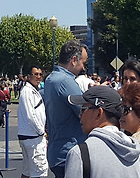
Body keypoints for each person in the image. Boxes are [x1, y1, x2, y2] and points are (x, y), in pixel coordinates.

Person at [65, 85, 140, 178]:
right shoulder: (135, 152)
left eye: (83, 109)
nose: (80, 115)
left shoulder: (80, 154)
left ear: (99, 113)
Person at [46, 40, 88, 178]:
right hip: (69, 153)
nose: (83, 68)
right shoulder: (65, 81)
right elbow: (85, 112)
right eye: (83, 62)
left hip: (57, 151)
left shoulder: (51, 79)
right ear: (74, 60)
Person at [18, 67, 50, 178]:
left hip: (30, 135)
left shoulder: (32, 90)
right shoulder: (27, 91)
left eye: (40, 74)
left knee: (28, 170)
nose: (39, 77)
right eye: (35, 74)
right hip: (33, 137)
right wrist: (41, 132)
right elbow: (30, 115)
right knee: (39, 170)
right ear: (28, 76)